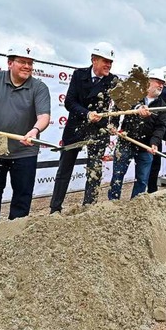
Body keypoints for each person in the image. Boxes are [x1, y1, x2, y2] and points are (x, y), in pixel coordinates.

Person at [0, 44, 51, 226]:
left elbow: (44, 116)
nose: (27, 66)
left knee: (22, 196)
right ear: (10, 63)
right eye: (22, 62)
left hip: (24, 152)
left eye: (30, 63)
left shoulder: (39, 87)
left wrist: (35, 130)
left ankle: (17, 232)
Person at [49, 42, 117, 214]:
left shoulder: (113, 81)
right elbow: (69, 102)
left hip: (99, 130)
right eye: (105, 61)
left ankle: (88, 209)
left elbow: (122, 105)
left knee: (94, 171)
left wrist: (114, 124)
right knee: (65, 169)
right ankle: (55, 208)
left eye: (111, 62)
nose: (108, 65)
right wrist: (87, 114)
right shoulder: (79, 75)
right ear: (94, 60)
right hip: (76, 128)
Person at [108, 68, 166, 200]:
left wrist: (154, 142)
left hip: (145, 146)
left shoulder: (162, 105)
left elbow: (161, 127)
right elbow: (119, 106)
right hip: (126, 141)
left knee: (142, 180)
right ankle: (112, 203)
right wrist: (114, 124)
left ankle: (136, 204)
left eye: (162, 82)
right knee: (117, 176)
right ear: (148, 82)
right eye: (158, 81)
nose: (161, 85)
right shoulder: (134, 95)